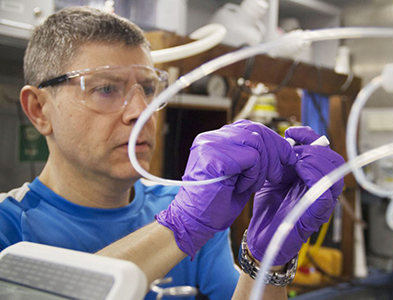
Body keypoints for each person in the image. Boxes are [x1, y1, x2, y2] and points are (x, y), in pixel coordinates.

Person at [0, 6, 345, 300]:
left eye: (148, 88)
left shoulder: (187, 204)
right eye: (106, 88)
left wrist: (266, 262)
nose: (141, 110)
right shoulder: (9, 226)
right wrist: (179, 228)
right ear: (39, 110)